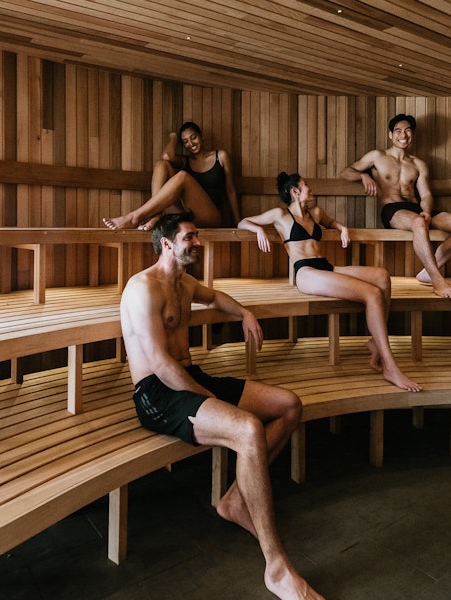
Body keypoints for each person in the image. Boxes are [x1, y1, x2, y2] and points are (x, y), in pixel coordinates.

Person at [120, 211, 324, 600]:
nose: (198, 242)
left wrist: (244, 311)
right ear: (167, 243)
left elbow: (213, 296)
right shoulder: (143, 288)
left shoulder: (183, 283)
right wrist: (207, 398)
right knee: (246, 428)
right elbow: (160, 365)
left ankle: (234, 500)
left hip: (191, 377)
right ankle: (277, 568)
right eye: (190, 236)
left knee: (288, 406)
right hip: (158, 394)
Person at [238, 172, 422, 393]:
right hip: (306, 272)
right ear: (295, 192)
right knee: (372, 294)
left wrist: (342, 229)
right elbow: (243, 222)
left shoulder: (315, 213)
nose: (311, 188)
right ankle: (390, 366)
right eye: (306, 185)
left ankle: (375, 342)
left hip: (325, 266)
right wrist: (258, 229)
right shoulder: (280, 215)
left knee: (381, 276)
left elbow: (332, 222)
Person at [340, 114, 451, 299]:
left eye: (408, 130)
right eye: (398, 131)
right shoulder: (377, 156)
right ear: (390, 135)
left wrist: (427, 211)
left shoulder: (419, 164)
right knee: (419, 223)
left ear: (412, 134)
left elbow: (426, 194)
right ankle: (438, 282)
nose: (403, 134)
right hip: (393, 210)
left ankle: (427, 273)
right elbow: (346, 172)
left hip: (417, 210)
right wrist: (363, 176)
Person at [103, 122, 240, 230]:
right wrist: (173, 138)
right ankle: (156, 216)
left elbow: (231, 190)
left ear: (201, 135)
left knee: (183, 176)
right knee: (161, 165)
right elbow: (167, 156)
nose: (191, 143)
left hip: (211, 216)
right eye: (185, 141)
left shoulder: (220, 156)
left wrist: (239, 222)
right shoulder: (187, 161)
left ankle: (134, 217)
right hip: (187, 214)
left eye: (193, 137)